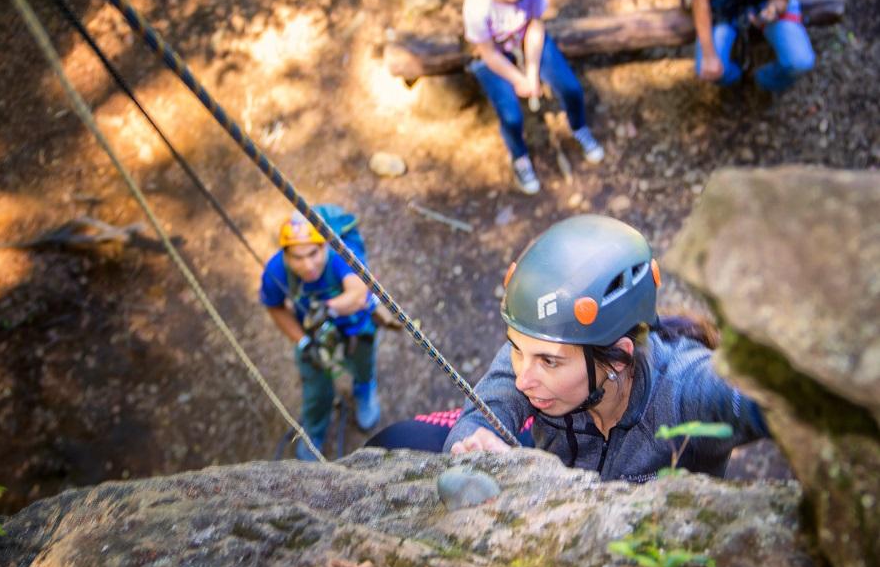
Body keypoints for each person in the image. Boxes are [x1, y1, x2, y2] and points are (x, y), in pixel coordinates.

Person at [369, 215, 769, 482]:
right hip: (556, 472)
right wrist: (475, 438)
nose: (525, 378)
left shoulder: (680, 395)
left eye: (549, 361)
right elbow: (493, 400)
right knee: (393, 440)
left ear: (619, 357)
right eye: (517, 350)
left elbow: (750, 393)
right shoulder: (535, 351)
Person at [463, 0, 604, 196]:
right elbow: (488, 53)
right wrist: (518, 80)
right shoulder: (477, 2)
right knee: (511, 117)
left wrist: (531, 72)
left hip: (527, 41)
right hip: (494, 56)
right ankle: (519, 157)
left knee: (571, 89)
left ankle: (579, 128)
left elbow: (535, 27)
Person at [260, 210, 380, 461]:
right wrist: (302, 341)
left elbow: (358, 294)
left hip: (354, 326)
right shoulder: (275, 271)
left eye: (313, 253)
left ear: (324, 246)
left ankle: (363, 388)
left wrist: (328, 308)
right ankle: (315, 428)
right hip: (313, 335)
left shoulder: (341, 254)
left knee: (362, 362)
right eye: (297, 257)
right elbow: (275, 307)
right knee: (315, 385)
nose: (307, 265)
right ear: (286, 255)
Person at [692, 0, 815, 91]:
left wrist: (772, 11)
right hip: (723, 5)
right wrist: (709, 55)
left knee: (800, 62)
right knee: (708, 69)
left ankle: (761, 82)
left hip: (764, 1)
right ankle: (736, 80)